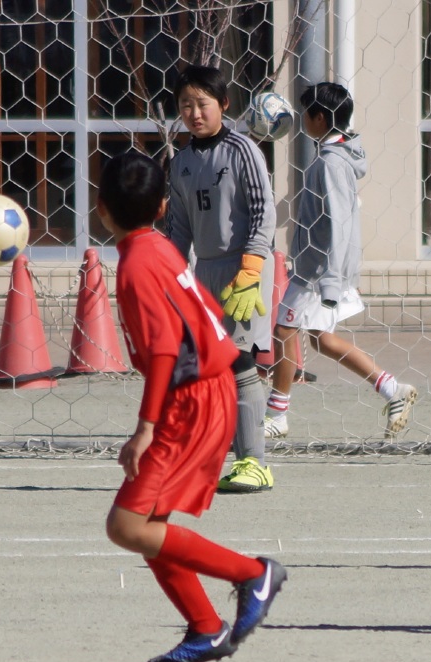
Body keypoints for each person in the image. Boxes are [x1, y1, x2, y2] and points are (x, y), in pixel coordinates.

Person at [98, 151, 288, 662]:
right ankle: (205, 628)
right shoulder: (158, 249)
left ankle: (252, 574)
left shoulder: (136, 265)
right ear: (163, 208)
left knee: (126, 525)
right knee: (149, 522)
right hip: (209, 387)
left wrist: (145, 428)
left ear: (101, 209)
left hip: (192, 397)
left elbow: (164, 349)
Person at [265, 82, 417, 439]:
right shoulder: (336, 156)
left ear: (319, 118)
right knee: (320, 339)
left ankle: (277, 415)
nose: (302, 119)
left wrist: (332, 279)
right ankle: (393, 389)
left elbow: (340, 223)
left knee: (284, 330)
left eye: (306, 113)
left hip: (317, 273)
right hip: (319, 268)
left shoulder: (330, 163)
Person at [165, 64, 277, 493]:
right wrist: (171, 279)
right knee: (204, 368)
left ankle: (255, 463)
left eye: (203, 104)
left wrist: (252, 269)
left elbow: (264, 211)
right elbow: (178, 229)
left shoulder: (243, 149)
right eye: (185, 105)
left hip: (243, 268)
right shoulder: (180, 163)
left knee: (240, 361)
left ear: (224, 104)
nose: (194, 113)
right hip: (204, 272)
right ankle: (215, 456)